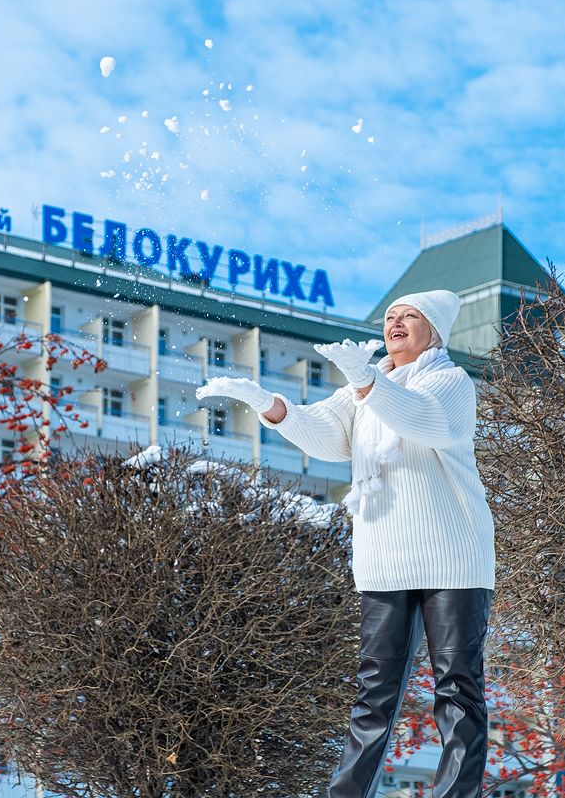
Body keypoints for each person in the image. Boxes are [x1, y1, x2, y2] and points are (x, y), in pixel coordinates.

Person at [196, 289, 495, 798]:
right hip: (384, 560)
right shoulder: (367, 388)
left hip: (453, 557)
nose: (395, 323)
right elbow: (325, 434)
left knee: (456, 688)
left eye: (410, 316)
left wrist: (367, 382)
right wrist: (269, 405)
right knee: (374, 693)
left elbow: (425, 422)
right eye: (391, 316)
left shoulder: (449, 382)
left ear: (434, 331)